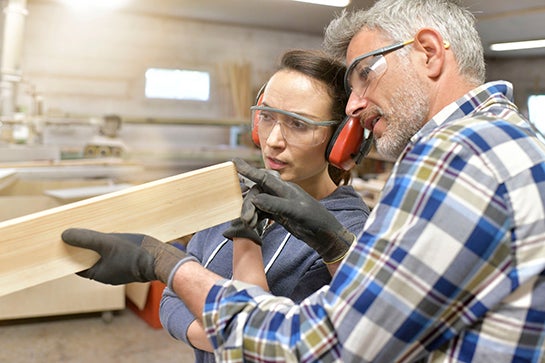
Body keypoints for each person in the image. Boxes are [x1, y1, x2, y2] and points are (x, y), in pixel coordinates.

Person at [60, 0, 545, 361]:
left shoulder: (459, 158)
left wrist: (165, 262)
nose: (357, 105)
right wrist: (338, 248)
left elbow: (323, 347)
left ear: (428, 52)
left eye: (364, 75)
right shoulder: (494, 140)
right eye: (267, 117)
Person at [158, 49, 369, 362]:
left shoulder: (347, 234)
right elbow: (170, 299)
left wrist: (234, 339)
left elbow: (286, 346)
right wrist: (223, 337)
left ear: (340, 139)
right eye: (267, 116)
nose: (272, 141)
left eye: (298, 125)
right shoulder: (236, 195)